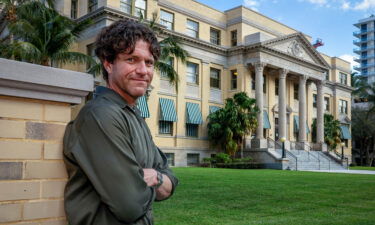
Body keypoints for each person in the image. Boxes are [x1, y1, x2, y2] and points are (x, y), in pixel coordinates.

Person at [63, 19, 178, 225]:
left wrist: (157, 177)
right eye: (132, 60)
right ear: (108, 63)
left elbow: (170, 178)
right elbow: (130, 205)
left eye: (149, 62)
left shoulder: (133, 115)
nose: (143, 71)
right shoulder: (100, 115)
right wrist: (156, 182)